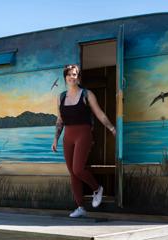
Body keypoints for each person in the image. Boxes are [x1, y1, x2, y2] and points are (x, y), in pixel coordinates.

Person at [51, 64, 116, 218]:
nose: (72, 77)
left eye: (74, 74)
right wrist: (55, 139)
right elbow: (60, 120)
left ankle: (97, 188)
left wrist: (112, 128)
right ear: (65, 77)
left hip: (83, 134)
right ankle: (80, 207)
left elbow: (100, 114)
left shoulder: (87, 94)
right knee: (72, 173)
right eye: (69, 75)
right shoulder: (61, 97)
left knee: (78, 169)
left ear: (78, 77)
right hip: (68, 136)